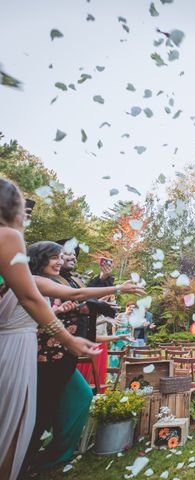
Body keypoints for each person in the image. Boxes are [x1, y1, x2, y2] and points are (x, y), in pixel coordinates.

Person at [0, 179, 99, 480]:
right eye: (23, 208)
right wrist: (68, 338)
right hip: (15, 347)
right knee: (13, 422)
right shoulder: (8, 237)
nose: (26, 216)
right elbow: (31, 298)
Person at [23, 241, 143, 473]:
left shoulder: (63, 280)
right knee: (40, 411)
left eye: (63, 257)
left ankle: (55, 453)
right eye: (56, 257)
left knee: (76, 398)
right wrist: (118, 288)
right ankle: (29, 460)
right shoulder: (35, 280)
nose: (61, 261)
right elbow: (76, 295)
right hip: (45, 356)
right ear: (39, 259)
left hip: (64, 354)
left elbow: (82, 297)